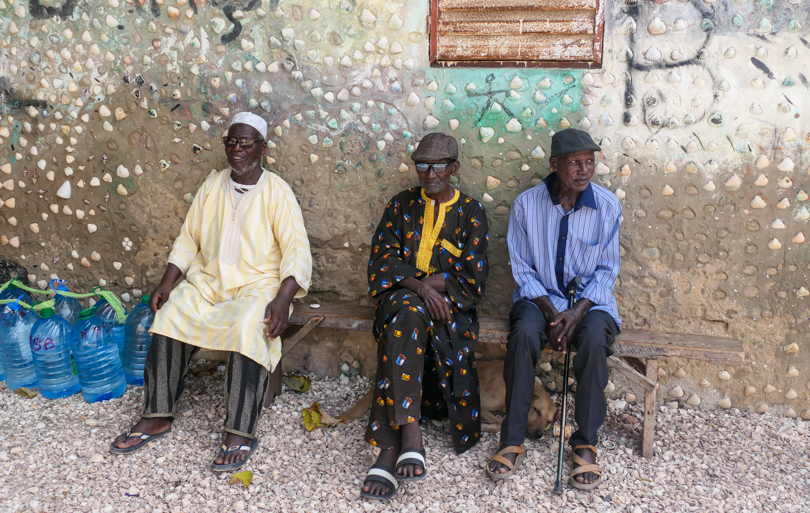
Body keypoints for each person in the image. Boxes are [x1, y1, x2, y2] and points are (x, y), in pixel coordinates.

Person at [110, 112, 312, 472]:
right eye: (231, 142)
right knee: (171, 312)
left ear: (262, 148)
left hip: (257, 286)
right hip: (209, 282)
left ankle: (240, 431)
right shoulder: (213, 184)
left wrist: (282, 299)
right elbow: (189, 238)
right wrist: (168, 281)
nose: (237, 149)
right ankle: (157, 414)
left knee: (252, 326)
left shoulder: (277, 191)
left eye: (246, 143)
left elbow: (297, 252)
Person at [486, 129, 622, 490]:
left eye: (589, 161)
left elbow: (607, 271)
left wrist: (576, 313)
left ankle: (585, 443)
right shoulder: (527, 205)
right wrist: (551, 313)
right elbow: (522, 269)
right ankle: (512, 439)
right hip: (538, 298)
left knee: (594, 340)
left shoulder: (607, 206)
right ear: (555, 164)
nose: (584, 170)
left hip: (590, 302)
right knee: (524, 333)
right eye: (575, 162)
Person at [361, 133, 489, 500]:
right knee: (406, 310)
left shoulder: (471, 213)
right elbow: (381, 262)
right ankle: (410, 432)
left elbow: (473, 276)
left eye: (438, 166)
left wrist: (422, 287)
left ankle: (390, 446)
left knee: (405, 317)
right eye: (422, 165)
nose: (429, 174)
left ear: (454, 168)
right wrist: (422, 289)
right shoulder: (400, 206)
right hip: (403, 304)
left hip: (451, 312)